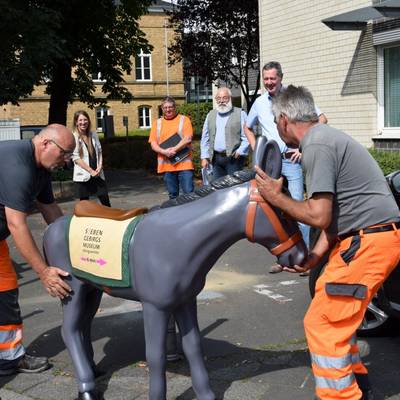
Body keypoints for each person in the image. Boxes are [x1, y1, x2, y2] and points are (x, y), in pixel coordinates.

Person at [255, 85, 400, 400]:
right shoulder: (326, 138)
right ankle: (358, 386)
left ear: (283, 120)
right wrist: (314, 256)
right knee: (333, 312)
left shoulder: (316, 143)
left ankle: (343, 396)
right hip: (368, 240)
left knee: (323, 324)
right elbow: (334, 220)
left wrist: (277, 198)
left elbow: (319, 216)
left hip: (369, 242)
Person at [0, 124, 75, 376]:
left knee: (6, 292)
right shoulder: (17, 165)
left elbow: (50, 210)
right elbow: (17, 224)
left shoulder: (41, 169)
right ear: (45, 144)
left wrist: (75, 245)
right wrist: (44, 272)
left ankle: (8, 358)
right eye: (64, 153)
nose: (65, 161)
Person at [244, 61, 327, 274]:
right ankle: (284, 258)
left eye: (273, 78)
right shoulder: (260, 103)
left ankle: (306, 258)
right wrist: (256, 148)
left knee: (299, 207)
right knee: (276, 212)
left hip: (292, 160)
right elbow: (248, 127)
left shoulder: (292, 97)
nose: (269, 82)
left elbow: (321, 119)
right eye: (266, 79)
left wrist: (303, 147)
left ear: (281, 77)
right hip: (271, 162)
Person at [149, 96, 194, 199]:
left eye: (170, 107)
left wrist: (173, 150)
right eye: (165, 108)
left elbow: (187, 138)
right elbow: (153, 144)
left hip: (184, 165)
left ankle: (191, 215)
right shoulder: (157, 123)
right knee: (173, 196)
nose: (168, 110)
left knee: (189, 194)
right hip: (168, 166)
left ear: (175, 107)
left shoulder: (184, 120)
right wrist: (164, 152)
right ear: (162, 108)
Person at [200, 87, 249, 180]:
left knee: (234, 188)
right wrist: (204, 157)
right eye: (218, 98)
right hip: (215, 160)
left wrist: (240, 151)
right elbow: (205, 138)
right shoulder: (210, 115)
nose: (221, 101)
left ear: (230, 98)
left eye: (225, 98)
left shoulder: (240, 113)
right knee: (218, 190)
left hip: (233, 159)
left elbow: (247, 136)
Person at [72, 110, 111, 207]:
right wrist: (91, 171)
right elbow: (76, 158)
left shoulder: (93, 135)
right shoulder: (74, 136)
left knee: (105, 200)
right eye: (80, 120)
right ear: (76, 122)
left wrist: (99, 167)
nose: (83, 122)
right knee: (85, 205)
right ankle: (85, 222)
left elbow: (100, 152)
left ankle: (111, 220)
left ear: (88, 121)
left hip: (97, 174)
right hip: (83, 175)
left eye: (85, 120)